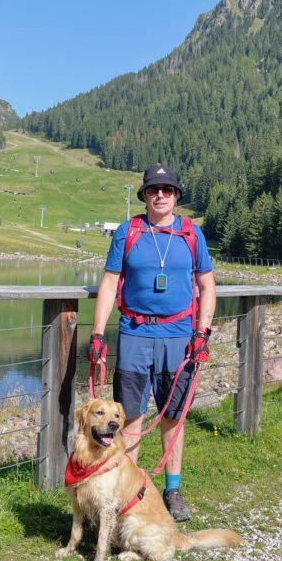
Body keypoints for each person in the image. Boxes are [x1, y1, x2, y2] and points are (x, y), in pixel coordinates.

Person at [88, 164, 216, 521]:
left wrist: (202, 334)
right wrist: (98, 334)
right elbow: (110, 282)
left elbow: (207, 285)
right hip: (134, 335)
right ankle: (127, 495)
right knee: (129, 417)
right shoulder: (128, 232)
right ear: (144, 194)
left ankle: (172, 490)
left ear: (177, 196)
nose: (161, 194)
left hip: (178, 338)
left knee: (173, 417)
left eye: (168, 189)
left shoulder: (192, 235)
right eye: (154, 189)